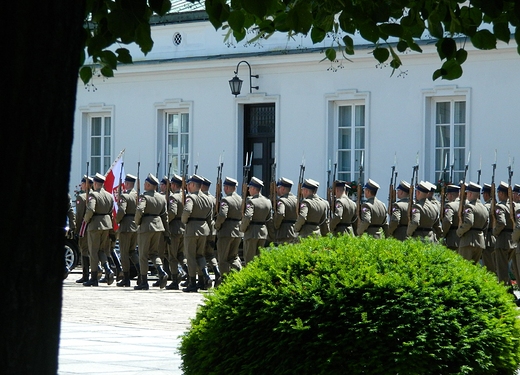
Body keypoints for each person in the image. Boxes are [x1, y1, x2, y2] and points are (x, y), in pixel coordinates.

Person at [133, 173, 170, 290]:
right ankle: (161, 271)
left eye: (145, 183)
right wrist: (166, 232)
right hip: (158, 226)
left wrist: (137, 221)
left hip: (146, 226)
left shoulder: (144, 197)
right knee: (154, 253)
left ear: (149, 185)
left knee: (143, 255)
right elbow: (165, 216)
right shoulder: (161, 197)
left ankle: (144, 281)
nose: (144, 185)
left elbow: (139, 209)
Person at [181, 174, 214, 292]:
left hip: (192, 229)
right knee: (200, 255)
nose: (188, 186)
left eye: (189, 184)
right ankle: (206, 276)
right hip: (204, 229)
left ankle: (192, 283)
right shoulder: (208, 198)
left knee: (190, 257)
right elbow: (210, 218)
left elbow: (187, 211)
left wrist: (184, 220)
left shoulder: (191, 197)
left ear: (194, 185)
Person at [82, 173, 115, 287]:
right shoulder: (109, 195)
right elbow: (111, 211)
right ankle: (108, 269)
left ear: (95, 183)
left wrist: (86, 220)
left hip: (95, 225)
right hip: (106, 224)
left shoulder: (93, 195)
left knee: (93, 252)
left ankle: (94, 277)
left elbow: (91, 209)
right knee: (102, 251)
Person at [240, 177, 272, 265]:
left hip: (251, 233)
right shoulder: (267, 202)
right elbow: (269, 218)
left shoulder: (251, 202)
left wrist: (242, 228)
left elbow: (248, 216)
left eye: (250, 188)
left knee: (249, 260)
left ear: (254, 188)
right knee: (259, 260)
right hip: (262, 232)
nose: (249, 190)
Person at [115, 174, 140, 287]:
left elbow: (122, 210)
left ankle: (126, 277)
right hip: (136, 225)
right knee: (132, 251)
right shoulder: (138, 195)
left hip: (126, 226)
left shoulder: (125, 196)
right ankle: (140, 272)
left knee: (124, 253)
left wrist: (117, 220)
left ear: (127, 183)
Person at [214, 177, 243, 276]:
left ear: (226, 187)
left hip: (226, 232)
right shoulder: (241, 200)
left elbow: (222, 215)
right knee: (233, 257)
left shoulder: (226, 200)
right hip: (238, 231)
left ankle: (224, 281)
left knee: (223, 259)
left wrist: (217, 225)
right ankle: (240, 271)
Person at [456, 182, 489, 264]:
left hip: (468, 241)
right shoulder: (484, 208)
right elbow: (486, 224)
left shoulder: (469, 207)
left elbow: (469, 222)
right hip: (480, 241)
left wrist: (459, 231)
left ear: (470, 194)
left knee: (464, 268)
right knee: (473, 269)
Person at [164, 174, 187, 290]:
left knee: (172, 256)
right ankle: (187, 272)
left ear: (173, 185)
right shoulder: (185, 196)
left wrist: (166, 222)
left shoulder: (174, 197)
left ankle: (175, 279)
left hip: (174, 228)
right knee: (181, 254)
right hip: (184, 228)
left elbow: (172, 212)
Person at [492, 181, 517, 287]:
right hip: (512, 240)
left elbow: (501, 222)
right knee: (507, 268)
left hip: (503, 241)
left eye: (498, 192)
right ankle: (510, 289)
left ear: (501, 193)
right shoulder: (514, 206)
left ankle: (506, 293)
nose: (497, 195)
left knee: (502, 270)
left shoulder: (500, 206)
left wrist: (495, 232)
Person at [200, 177, 220, 289]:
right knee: (210, 254)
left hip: (203, 228)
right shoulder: (213, 199)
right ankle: (217, 273)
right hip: (212, 229)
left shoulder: (201, 198)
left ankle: (204, 279)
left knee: (200, 255)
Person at [75, 176, 93, 283]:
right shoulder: (94, 196)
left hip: (84, 226)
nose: (81, 185)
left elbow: (79, 215)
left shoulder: (81, 197)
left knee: (84, 250)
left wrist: (77, 229)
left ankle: (86, 274)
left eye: (82, 183)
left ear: (87, 185)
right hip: (94, 227)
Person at [272, 177, 298, 244]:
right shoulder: (296, 200)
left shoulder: (282, 200)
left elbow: (281, 213)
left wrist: (276, 225)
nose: (277, 190)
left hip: (285, 233)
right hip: (295, 231)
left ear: (283, 189)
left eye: (278, 188)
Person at [481, 183, 496, 273]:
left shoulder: (486, 206)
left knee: (489, 268)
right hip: (496, 239)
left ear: (486, 194)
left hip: (488, 239)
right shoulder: (497, 205)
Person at [441, 184, 461, 251]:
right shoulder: (467, 204)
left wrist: (443, 233)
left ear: (450, 195)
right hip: (464, 240)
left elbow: (447, 221)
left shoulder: (450, 205)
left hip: (453, 239)